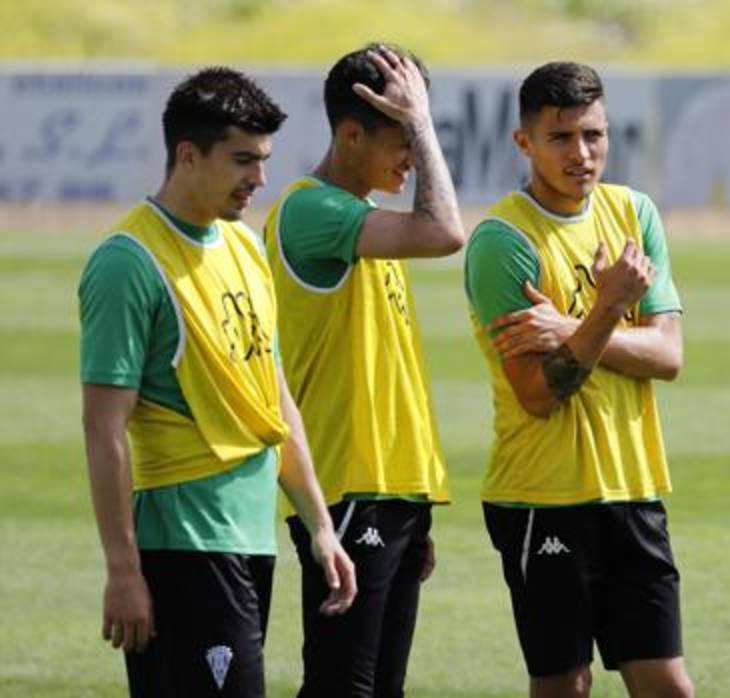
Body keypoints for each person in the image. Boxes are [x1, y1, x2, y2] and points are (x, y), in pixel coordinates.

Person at [79, 67, 355, 697]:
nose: (259, 178)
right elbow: (103, 427)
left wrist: (319, 524)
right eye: (242, 160)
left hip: (250, 536)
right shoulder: (128, 262)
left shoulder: (245, 247)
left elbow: (272, 394)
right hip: (183, 543)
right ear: (188, 155)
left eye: (263, 160)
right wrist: (123, 569)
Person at [463, 61, 693, 698]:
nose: (581, 154)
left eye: (593, 135)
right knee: (565, 685)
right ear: (524, 142)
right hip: (544, 496)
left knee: (669, 686)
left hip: (633, 487)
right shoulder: (503, 242)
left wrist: (574, 326)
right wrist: (610, 308)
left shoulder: (634, 214)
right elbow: (539, 394)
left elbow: (668, 354)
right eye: (560, 138)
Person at [261, 43, 463, 697]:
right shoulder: (311, 211)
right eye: (402, 141)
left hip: (391, 491)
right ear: (351, 135)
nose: (413, 158)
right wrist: (423, 121)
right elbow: (444, 232)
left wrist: (415, 506)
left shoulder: (363, 222)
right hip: (347, 486)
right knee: (341, 689)